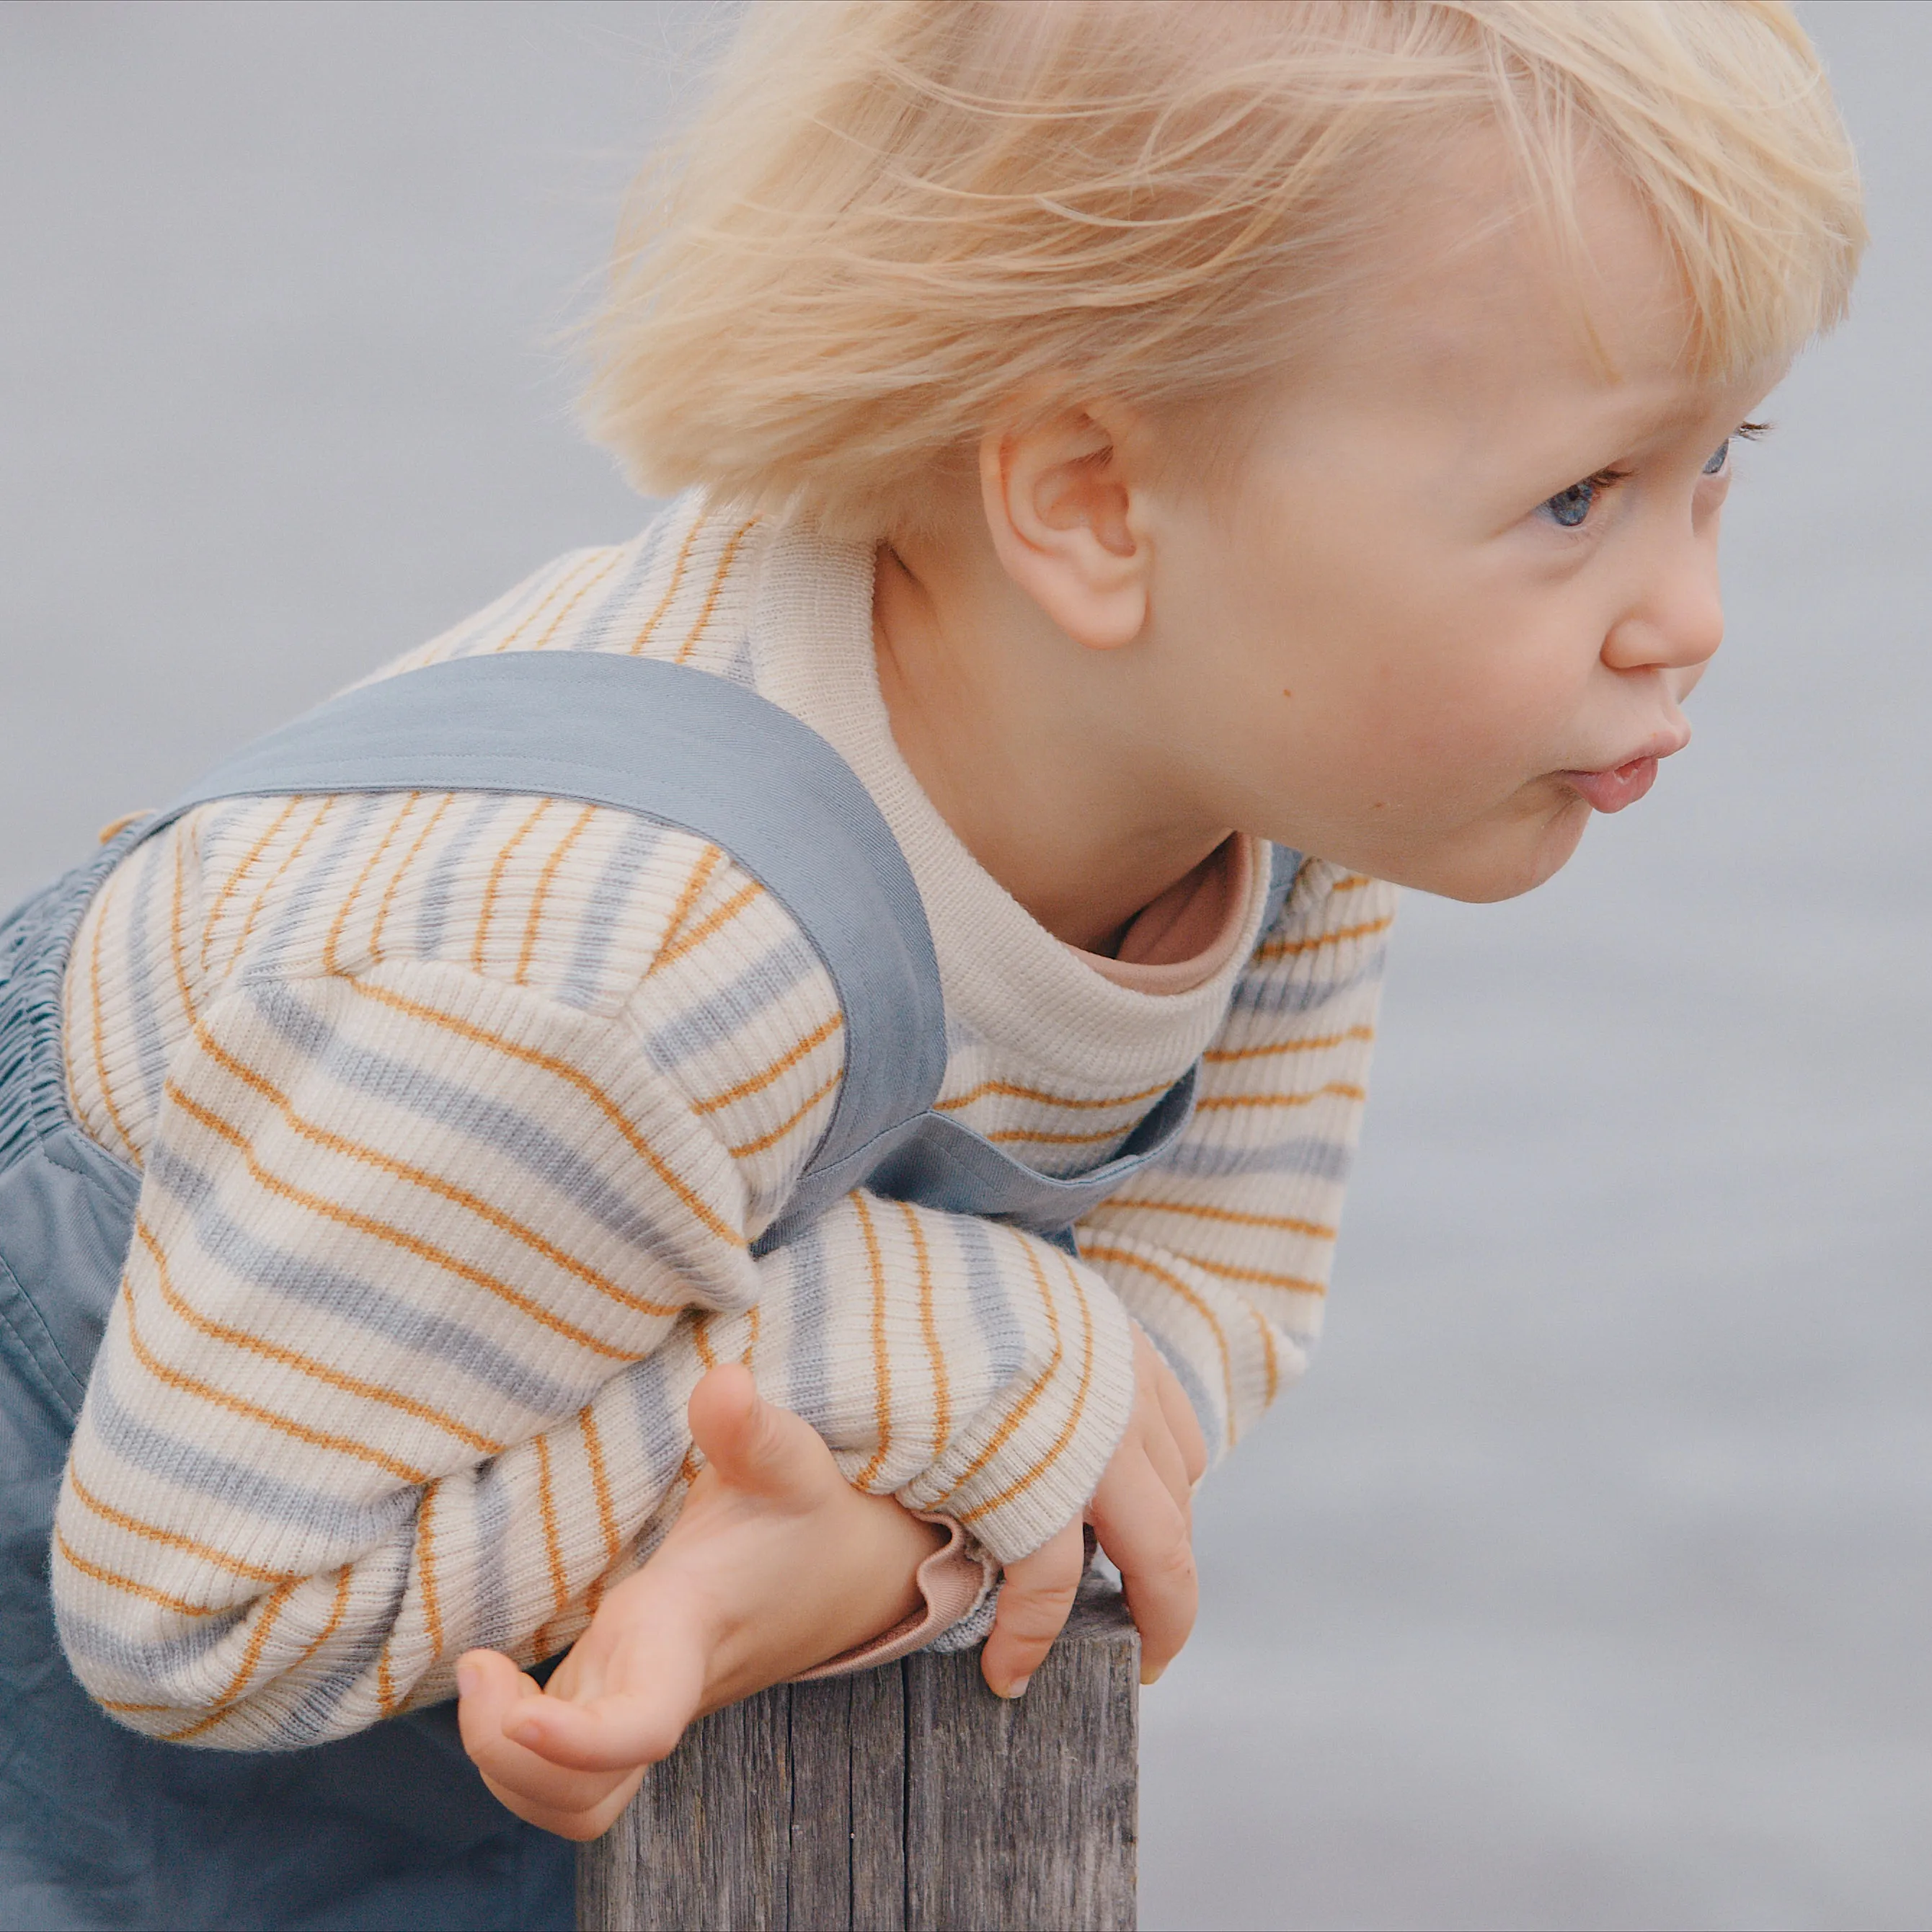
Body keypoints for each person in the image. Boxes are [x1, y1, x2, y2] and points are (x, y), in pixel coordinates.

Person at [1, 1, 1862, 1923]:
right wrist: (912, 1342)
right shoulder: (628, 974)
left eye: (1717, 458)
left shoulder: (1274, 791)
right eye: (1579, 498)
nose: (1692, 615)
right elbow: (190, 1611)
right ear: (1088, 502)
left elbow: (1183, 1334)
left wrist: (871, 1550)